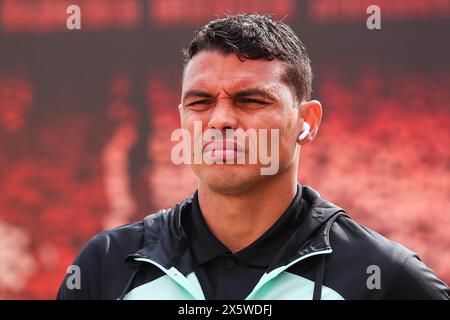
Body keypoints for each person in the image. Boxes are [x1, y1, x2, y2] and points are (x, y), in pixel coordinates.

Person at [57, 13, 450, 300]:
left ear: (306, 121)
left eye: (250, 100)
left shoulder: (381, 276)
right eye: (201, 102)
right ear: (181, 119)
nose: (221, 119)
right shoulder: (105, 268)